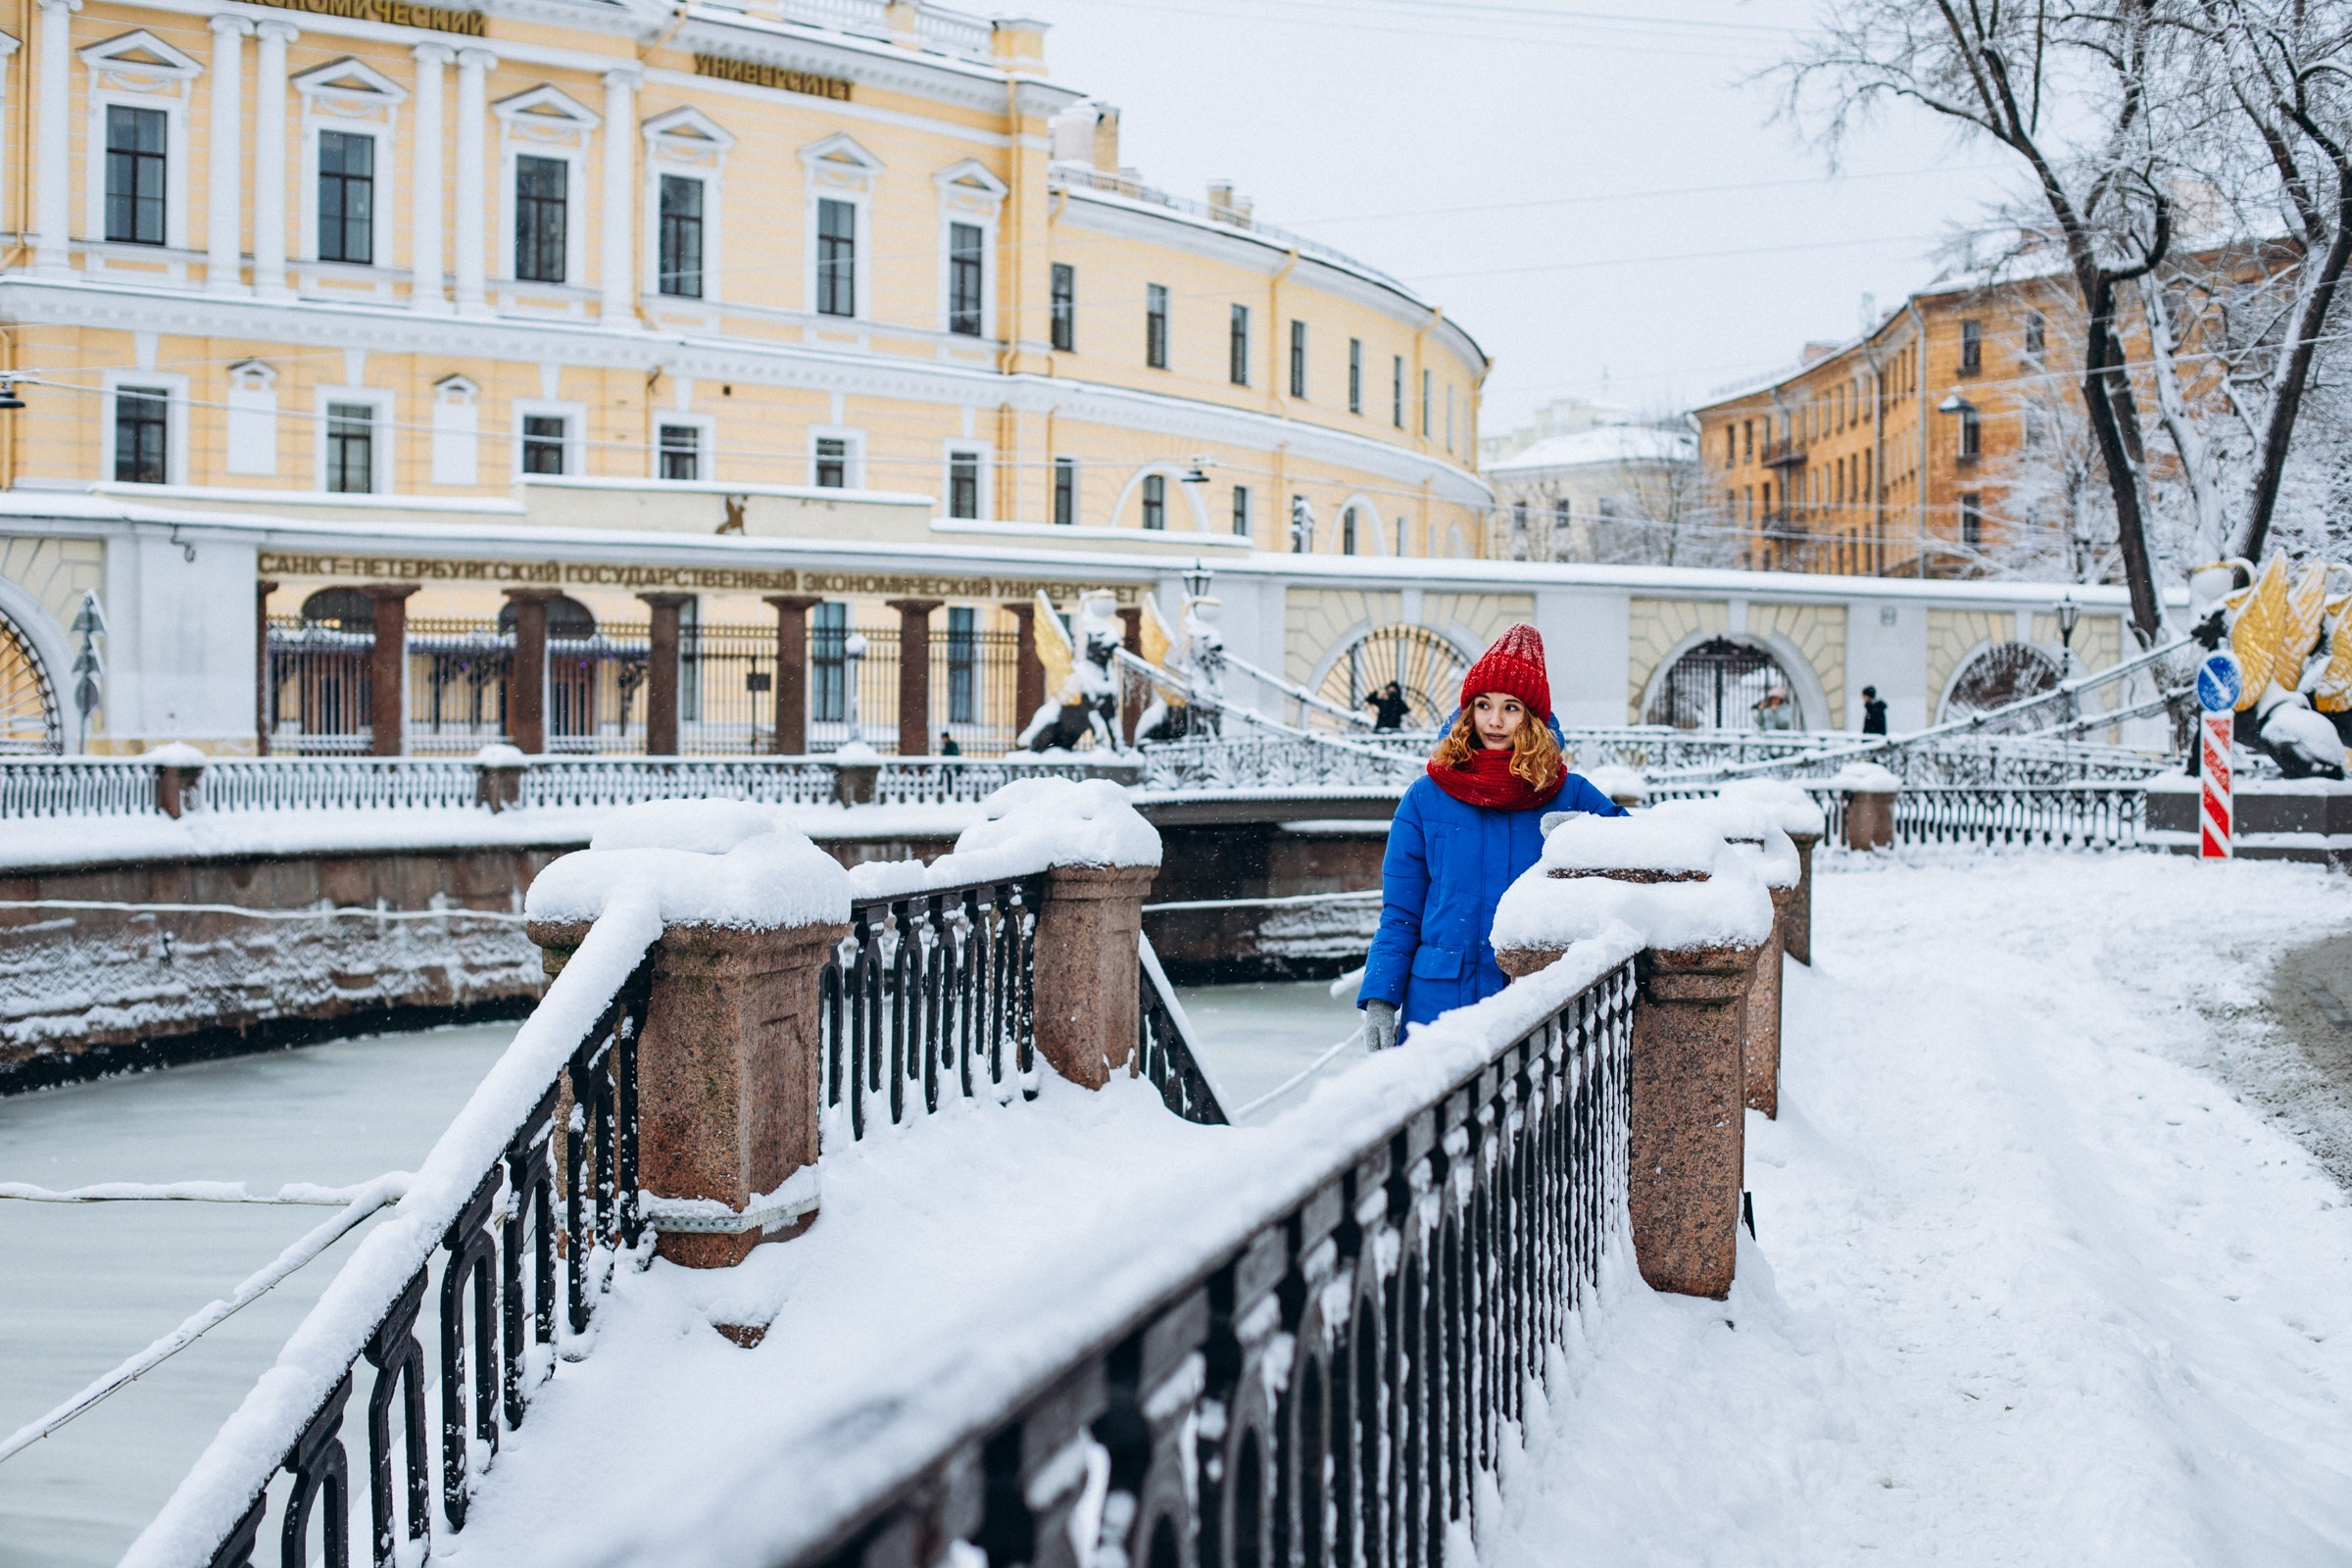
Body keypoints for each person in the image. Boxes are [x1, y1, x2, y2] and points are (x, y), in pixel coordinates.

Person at [1356, 624, 1627, 1052]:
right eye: (1483, 705)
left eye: (1511, 707)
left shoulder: (1569, 793)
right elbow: (1401, 914)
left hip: (1535, 1001)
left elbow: (1636, 855)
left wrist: (1583, 838)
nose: (1495, 721)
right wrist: (1380, 997)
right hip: (1439, 1005)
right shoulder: (1425, 798)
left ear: (1531, 718)